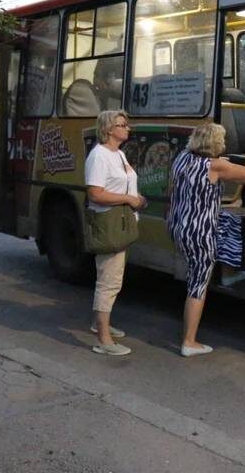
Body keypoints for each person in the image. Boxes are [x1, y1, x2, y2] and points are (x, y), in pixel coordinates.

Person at [167, 123, 245, 357]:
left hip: (179, 226)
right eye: (222, 139)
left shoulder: (182, 157)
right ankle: (189, 342)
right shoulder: (214, 165)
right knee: (197, 286)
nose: (225, 143)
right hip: (199, 233)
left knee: (226, 227)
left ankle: (231, 272)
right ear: (215, 143)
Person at [85, 110, 147, 356]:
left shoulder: (118, 154)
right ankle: (103, 339)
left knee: (111, 278)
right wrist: (129, 199)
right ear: (109, 129)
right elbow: (95, 193)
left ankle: (98, 323)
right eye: (123, 125)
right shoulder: (99, 156)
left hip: (121, 222)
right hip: (109, 223)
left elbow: (126, 179)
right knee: (109, 281)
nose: (128, 128)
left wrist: (136, 199)